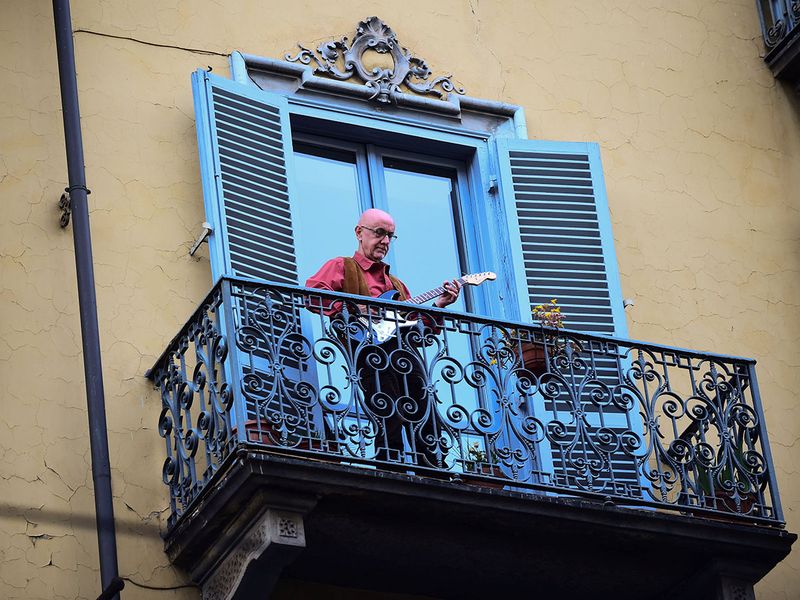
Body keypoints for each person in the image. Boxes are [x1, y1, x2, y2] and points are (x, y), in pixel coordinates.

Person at [305, 208, 461, 468]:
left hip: (404, 355)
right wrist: (353, 306)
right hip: (370, 351)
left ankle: (435, 469)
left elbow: (418, 331)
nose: (385, 241)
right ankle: (390, 465)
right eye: (379, 233)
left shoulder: (397, 286)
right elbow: (312, 293)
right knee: (387, 408)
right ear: (359, 233)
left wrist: (440, 305)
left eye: (390, 236)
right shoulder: (343, 266)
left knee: (425, 410)